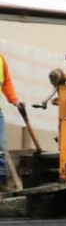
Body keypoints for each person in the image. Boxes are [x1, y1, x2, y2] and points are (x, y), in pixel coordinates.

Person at [0, 53, 25, 192]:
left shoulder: (0, 59)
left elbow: (6, 82)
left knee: (1, 147)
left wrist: (14, 99)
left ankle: (1, 181)